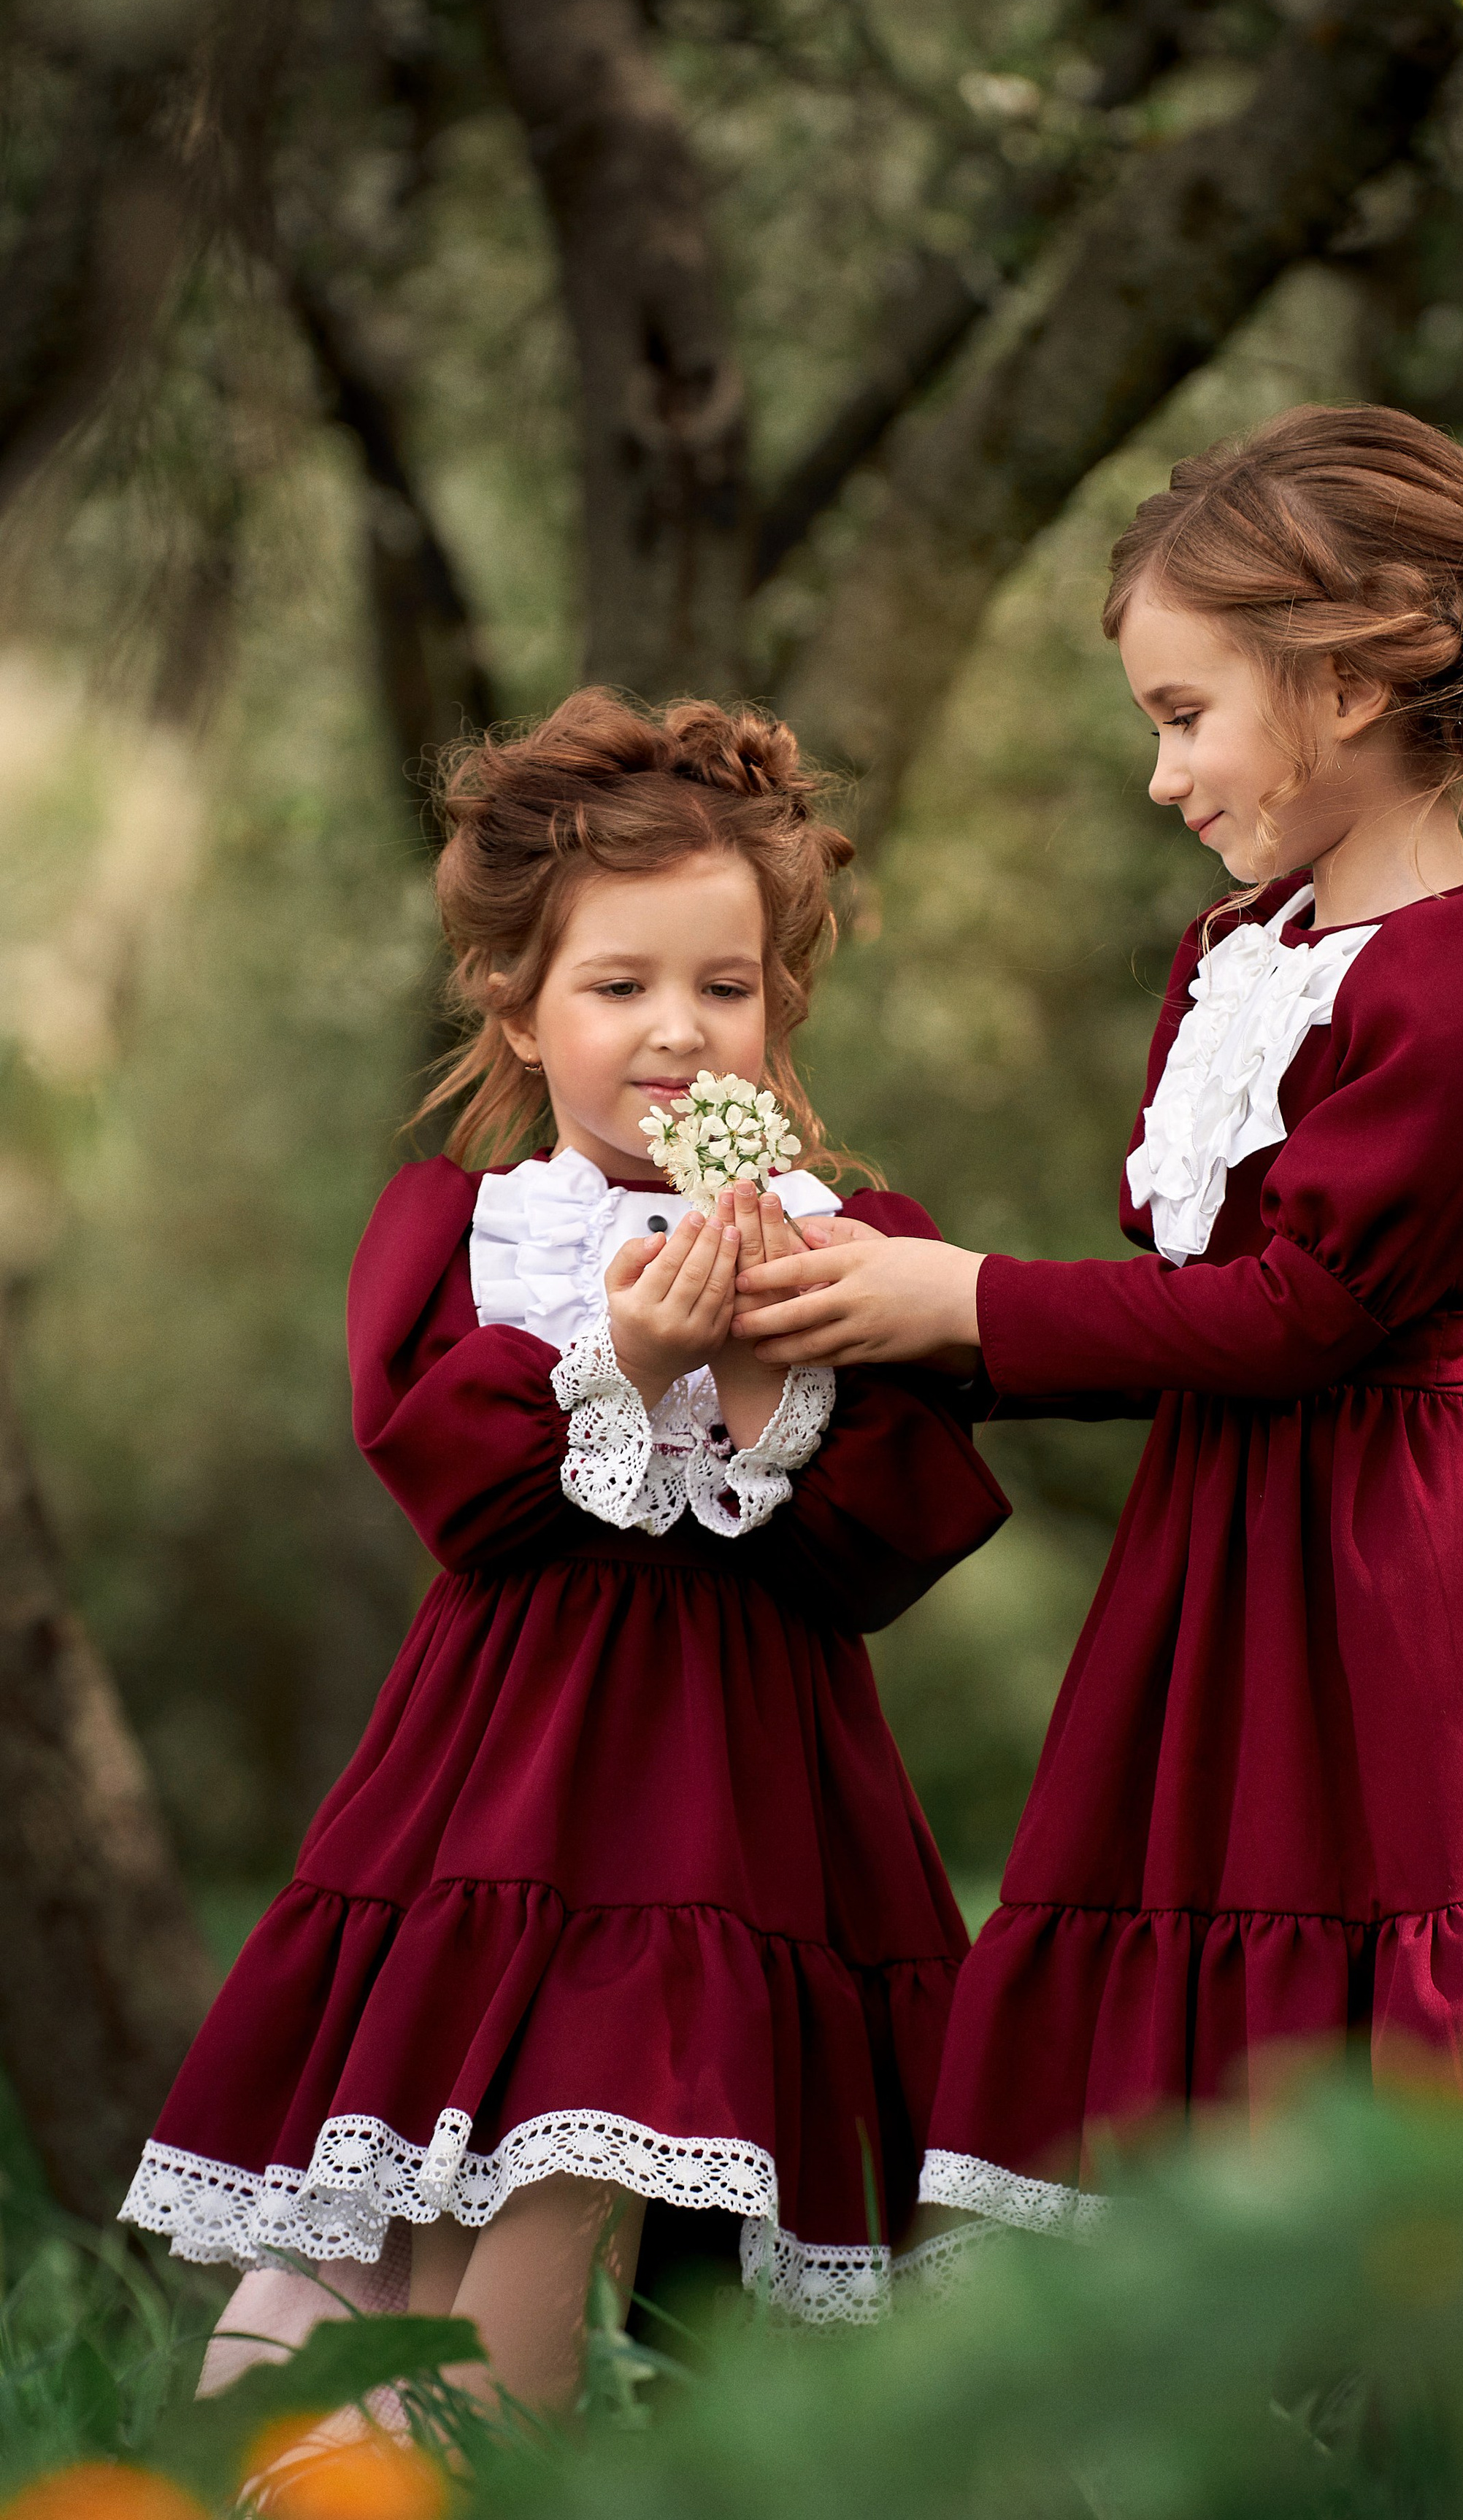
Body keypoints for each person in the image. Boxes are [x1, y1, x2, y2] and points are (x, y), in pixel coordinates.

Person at [734, 405, 1463, 2235]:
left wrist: (970, 1301)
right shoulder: (1238, 945)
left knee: (1359, 1926)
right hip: (1221, 1546)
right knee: (1171, 1930)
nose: (1161, 778)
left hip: (1378, 1572)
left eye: (1181, 715)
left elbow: (1303, 1310)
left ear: (1342, 682)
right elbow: (1179, 1300)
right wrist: (885, 1303)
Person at [121, 691, 1008, 2392]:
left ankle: (467, 2448)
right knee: (384, 2200)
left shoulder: (858, 1245)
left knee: (585, 2159)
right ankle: (258, 2462)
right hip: (500, 1770)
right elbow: (445, 1477)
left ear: (781, 1002)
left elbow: (878, 1552)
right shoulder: (466, 1230)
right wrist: (621, 1353)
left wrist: (763, 1365)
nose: (678, 1033)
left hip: (737, 1789)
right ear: (514, 1006)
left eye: (724, 988)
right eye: (619, 986)